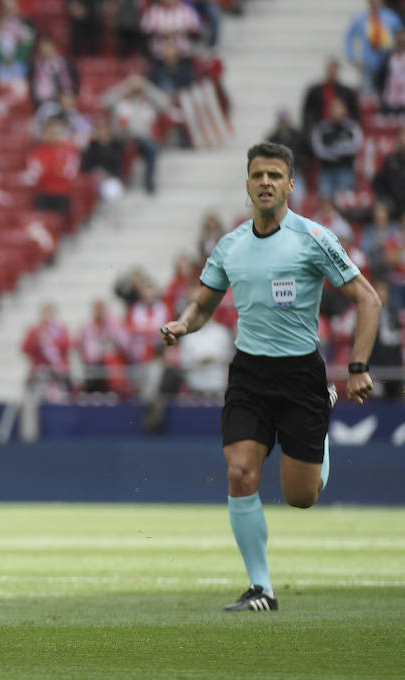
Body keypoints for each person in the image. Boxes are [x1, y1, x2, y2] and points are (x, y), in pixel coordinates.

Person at [161, 142, 381, 612]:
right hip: (249, 374)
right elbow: (203, 304)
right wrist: (183, 323)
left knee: (301, 498)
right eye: (258, 175)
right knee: (240, 473)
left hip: (301, 376)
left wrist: (358, 367)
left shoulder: (314, 238)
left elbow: (369, 300)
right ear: (246, 184)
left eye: (275, 176)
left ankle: (322, 410)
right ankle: (262, 588)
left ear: (290, 185)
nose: (266, 183)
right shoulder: (230, 245)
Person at [345, 0, 403, 93]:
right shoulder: (360, 18)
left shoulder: (390, 17)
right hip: (368, 65)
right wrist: (352, 57)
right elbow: (348, 38)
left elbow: (401, 35)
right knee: (368, 96)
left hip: (387, 64)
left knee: (388, 94)